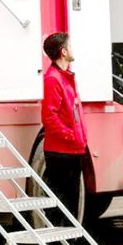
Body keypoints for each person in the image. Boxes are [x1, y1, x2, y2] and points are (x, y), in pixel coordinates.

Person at [40, 33, 88, 226]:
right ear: (63, 51)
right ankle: (60, 243)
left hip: (72, 149)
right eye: (71, 46)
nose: (73, 49)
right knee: (62, 203)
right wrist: (71, 136)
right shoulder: (53, 80)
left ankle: (68, 242)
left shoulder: (64, 78)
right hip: (62, 151)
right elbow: (49, 117)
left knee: (70, 203)